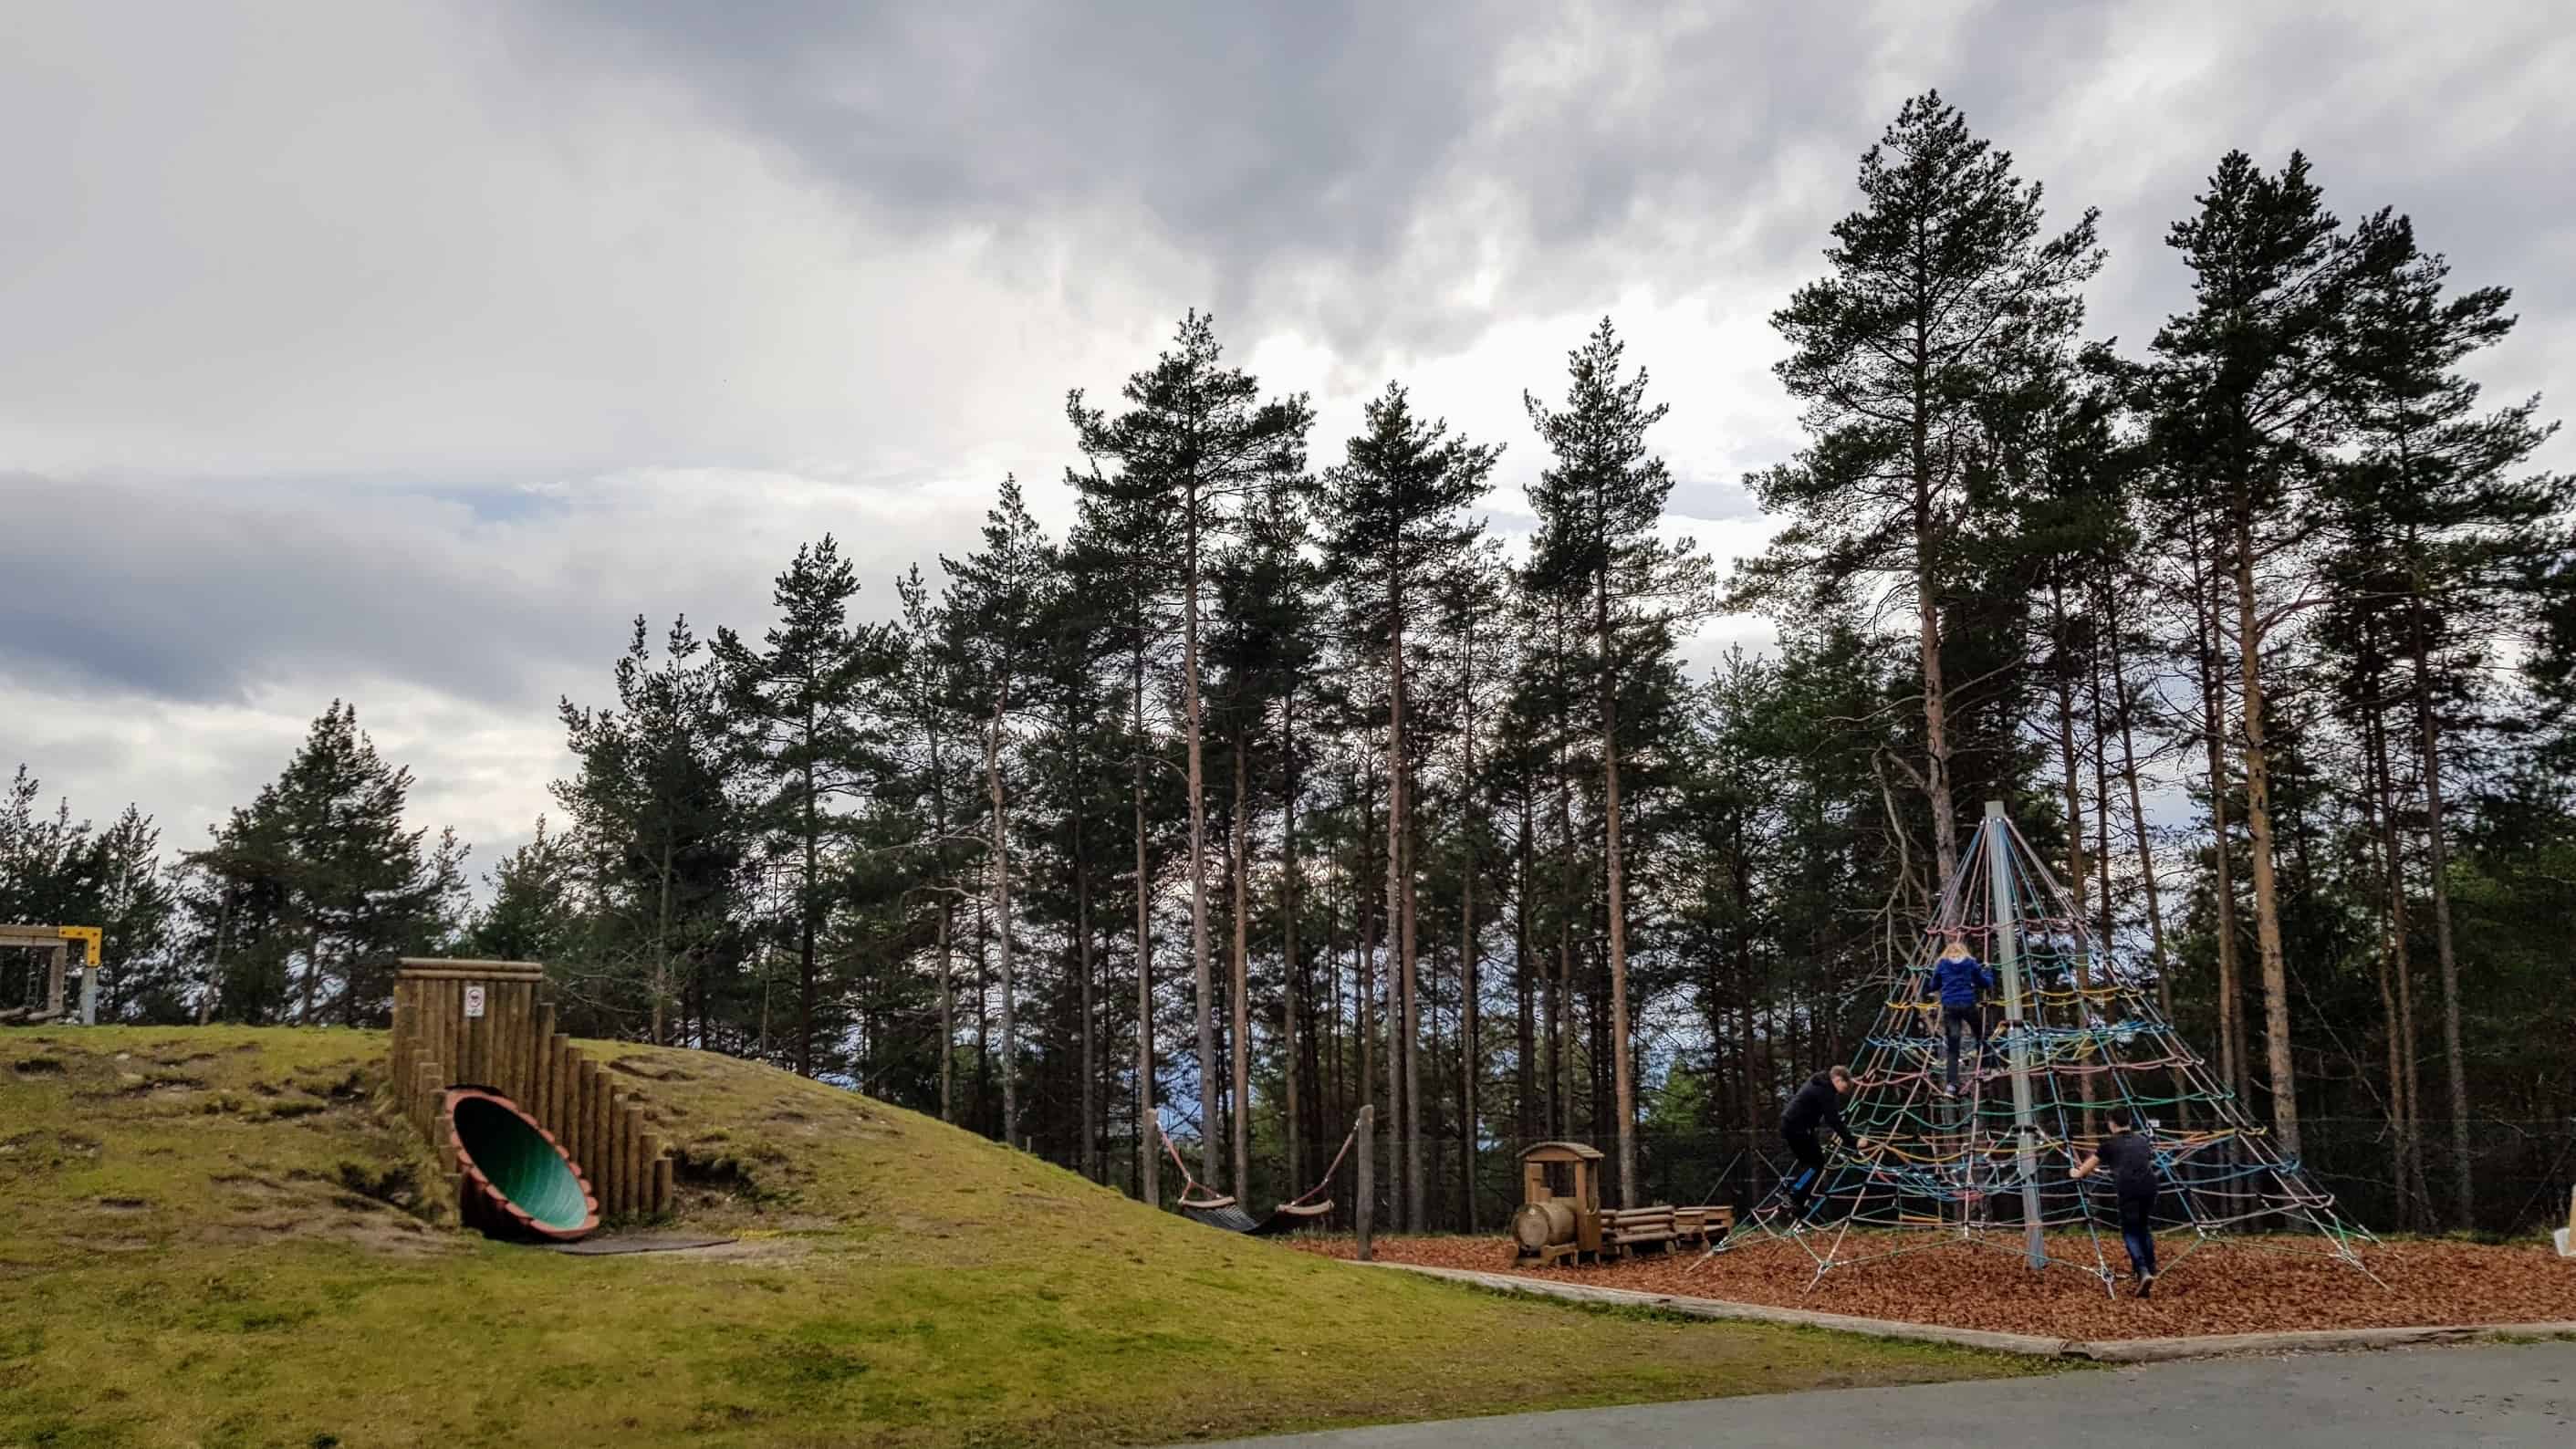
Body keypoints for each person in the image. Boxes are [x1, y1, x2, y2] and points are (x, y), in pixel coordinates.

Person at [2070, 1106, 2161, 1297]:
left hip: (2128, 1188)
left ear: (2111, 1123)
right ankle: (2151, 1267)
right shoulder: (2142, 1141)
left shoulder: (2109, 1145)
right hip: (2149, 1186)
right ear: (2129, 1121)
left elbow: (2087, 1166)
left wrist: (2076, 1173)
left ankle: (2143, 1271)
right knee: (2143, 1226)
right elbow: (2143, 1160)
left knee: (2130, 1231)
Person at [1777, 1065, 1872, 1220]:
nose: (1846, 1089)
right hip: (1798, 1128)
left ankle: (1796, 1201)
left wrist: (1860, 1078)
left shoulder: (1821, 1082)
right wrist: (1853, 1142)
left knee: (1809, 1163)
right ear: (1837, 1079)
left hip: (1793, 1126)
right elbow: (1833, 1120)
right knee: (1815, 1164)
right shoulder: (1824, 1091)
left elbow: (1845, 1079)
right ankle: (1792, 1194)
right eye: (1845, 1085)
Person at [1930, 930, 1997, 1097]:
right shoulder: (1970, 963)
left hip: (1950, 1008)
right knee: (1981, 1034)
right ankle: (1987, 1066)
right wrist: (1988, 971)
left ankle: (1952, 1085)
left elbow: (1933, 986)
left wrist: (1930, 979)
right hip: (1968, 1005)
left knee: (1953, 1047)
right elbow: (1985, 983)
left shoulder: (1942, 965)